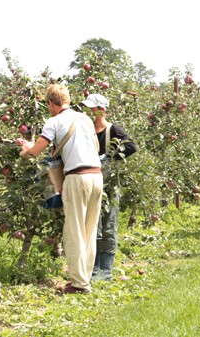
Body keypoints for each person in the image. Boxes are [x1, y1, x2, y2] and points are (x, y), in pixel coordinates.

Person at [21, 84, 103, 294]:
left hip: (77, 178)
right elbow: (96, 147)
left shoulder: (54, 121)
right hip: (96, 176)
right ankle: (84, 278)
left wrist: (25, 150)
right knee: (89, 229)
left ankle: (79, 284)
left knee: (74, 231)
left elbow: (36, 150)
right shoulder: (85, 118)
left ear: (50, 103)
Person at [80, 94, 137, 281]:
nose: (89, 112)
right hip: (90, 182)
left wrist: (111, 158)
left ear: (101, 110)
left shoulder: (113, 130)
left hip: (110, 183)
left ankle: (107, 270)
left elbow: (131, 147)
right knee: (92, 225)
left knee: (109, 224)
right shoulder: (86, 131)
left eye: (92, 109)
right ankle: (94, 269)